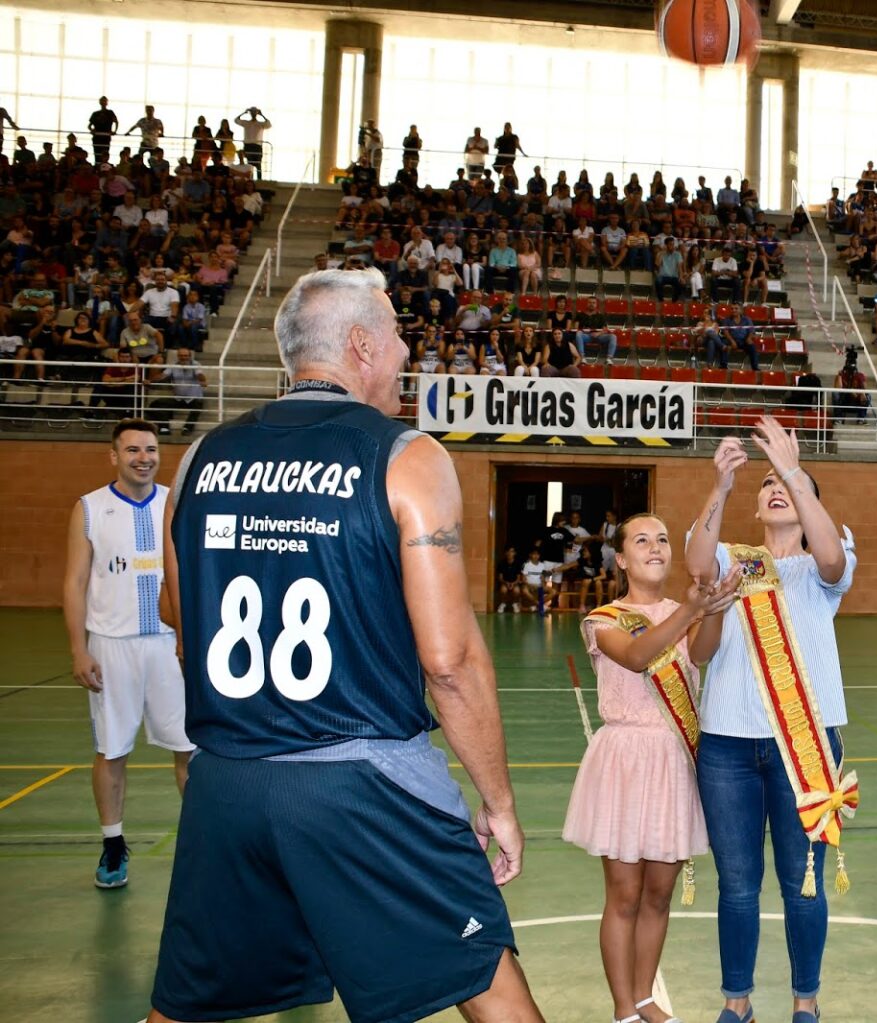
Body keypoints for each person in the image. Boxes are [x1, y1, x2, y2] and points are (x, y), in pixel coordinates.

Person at [147, 269, 545, 1022]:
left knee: (183, 1007)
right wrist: (498, 801)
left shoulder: (200, 457)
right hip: (359, 781)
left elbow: (179, 616)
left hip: (226, 783)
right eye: (397, 336)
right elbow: (449, 660)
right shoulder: (407, 456)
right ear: (361, 345)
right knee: (487, 981)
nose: (403, 354)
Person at [685, 419, 859, 1023]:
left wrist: (792, 470)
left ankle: (805, 1001)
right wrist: (722, 486)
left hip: (806, 744)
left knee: (802, 879)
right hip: (728, 746)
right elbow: (696, 559)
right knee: (736, 885)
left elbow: (832, 555)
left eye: (787, 483)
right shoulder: (736, 559)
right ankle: (738, 1002)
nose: (776, 488)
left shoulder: (822, 571)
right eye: (768, 484)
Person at [564, 514, 739, 1023]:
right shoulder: (604, 617)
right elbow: (640, 656)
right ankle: (624, 1009)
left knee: (659, 894)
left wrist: (718, 608)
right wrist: (692, 607)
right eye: (642, 540)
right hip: (624, 762)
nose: (656, 546)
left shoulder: (679, 610)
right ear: (621, 559)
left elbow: (701, 653)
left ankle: (644, 997)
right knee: (624, 894)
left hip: (672, 759)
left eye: (663, 538)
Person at [63, 419, 194, 890]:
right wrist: (79, 648)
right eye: (134, 449)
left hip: (168, 646)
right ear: (113, 456)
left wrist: (191, 638)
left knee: (188, 749)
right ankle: (113, 844)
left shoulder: (174, 504)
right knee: (112, 749)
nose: (144, 457)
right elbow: (75, 583)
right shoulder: (90, 509)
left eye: (152, 449)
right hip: (111, 646)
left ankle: (203, 843)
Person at [233, 107, 271, 178]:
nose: (253, 113)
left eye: (255, 112)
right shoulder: (246, 123)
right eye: (252, 112)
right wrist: (244, 113)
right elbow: (236, 120)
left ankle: (259, 179)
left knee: (258, 164)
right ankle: (250, 178)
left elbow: (269, 124)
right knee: (250, 164)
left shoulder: (260, 124)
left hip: (257, 146)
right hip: (248, 145)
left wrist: (262, 115)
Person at [88, 96, 119, 166]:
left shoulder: (110, 112)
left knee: (105, 155)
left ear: (107, 102)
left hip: (106, 136)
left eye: (104, 101)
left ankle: (104, 168)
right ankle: (97, 168)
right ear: (100, 102)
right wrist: (92, 130)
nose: (103, 103)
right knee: (97, 154)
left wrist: (114, 131)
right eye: (102, 101)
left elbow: (116, 122)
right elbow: (89, 126)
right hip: (97, 137)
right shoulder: (95, 113)